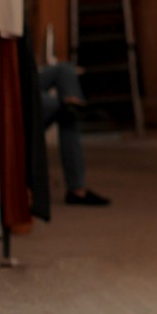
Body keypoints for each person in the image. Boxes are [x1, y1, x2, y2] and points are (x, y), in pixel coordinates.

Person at [38, 63, 110, 206]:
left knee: (64, 70)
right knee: (67, 112)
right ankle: (77, 189)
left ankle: (73, 106)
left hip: (22, 79)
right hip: (4, 88)